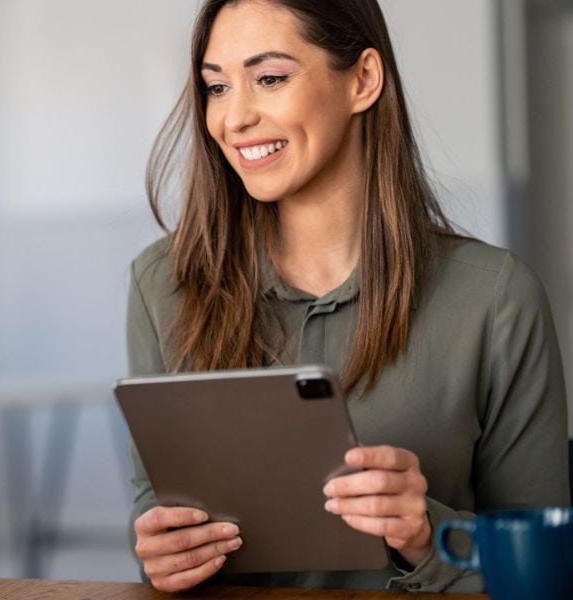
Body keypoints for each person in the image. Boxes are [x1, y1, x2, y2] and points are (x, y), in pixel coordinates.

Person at [125, 0, 570, 593]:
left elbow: (544, 570)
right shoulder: (162, 284)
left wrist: (423, 533)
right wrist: (163, 552)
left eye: (270, 78)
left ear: (362, 79)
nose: (233, 118)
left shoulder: (496, 299)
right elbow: (153, 513)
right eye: (216, 87)